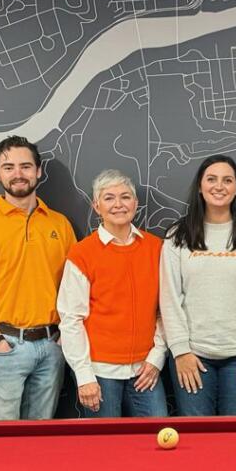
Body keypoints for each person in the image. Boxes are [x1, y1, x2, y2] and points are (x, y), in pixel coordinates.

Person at [0, 136, 75, 420]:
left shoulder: (60, 224)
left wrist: (62, 336)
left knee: (41, 436)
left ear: (38, 171)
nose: (18, 174)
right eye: (8, 167)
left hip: (51, 345)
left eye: (25, 166)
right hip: (5, 345)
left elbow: (74, 287)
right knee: (1, 439)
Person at [159, 155, 236, 416]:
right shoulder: (177, 236)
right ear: (200, 187)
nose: (219, 186)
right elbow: (169, 298)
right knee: (197, 439)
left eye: (227, 180)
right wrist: (180, 352)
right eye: (211, 179)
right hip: (193, 356)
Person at [57, 169, 167, 417]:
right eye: (109, 198)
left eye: (125, 197)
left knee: (156, 441)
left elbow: (165, 310)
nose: (118, 204)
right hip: (99, 372)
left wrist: (157, 356)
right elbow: (71, 318)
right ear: (97, 206)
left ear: (136, 203)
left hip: (145, 370)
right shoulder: (82, 254)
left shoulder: (156, 248)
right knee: (103, 450)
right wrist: (84, 375)